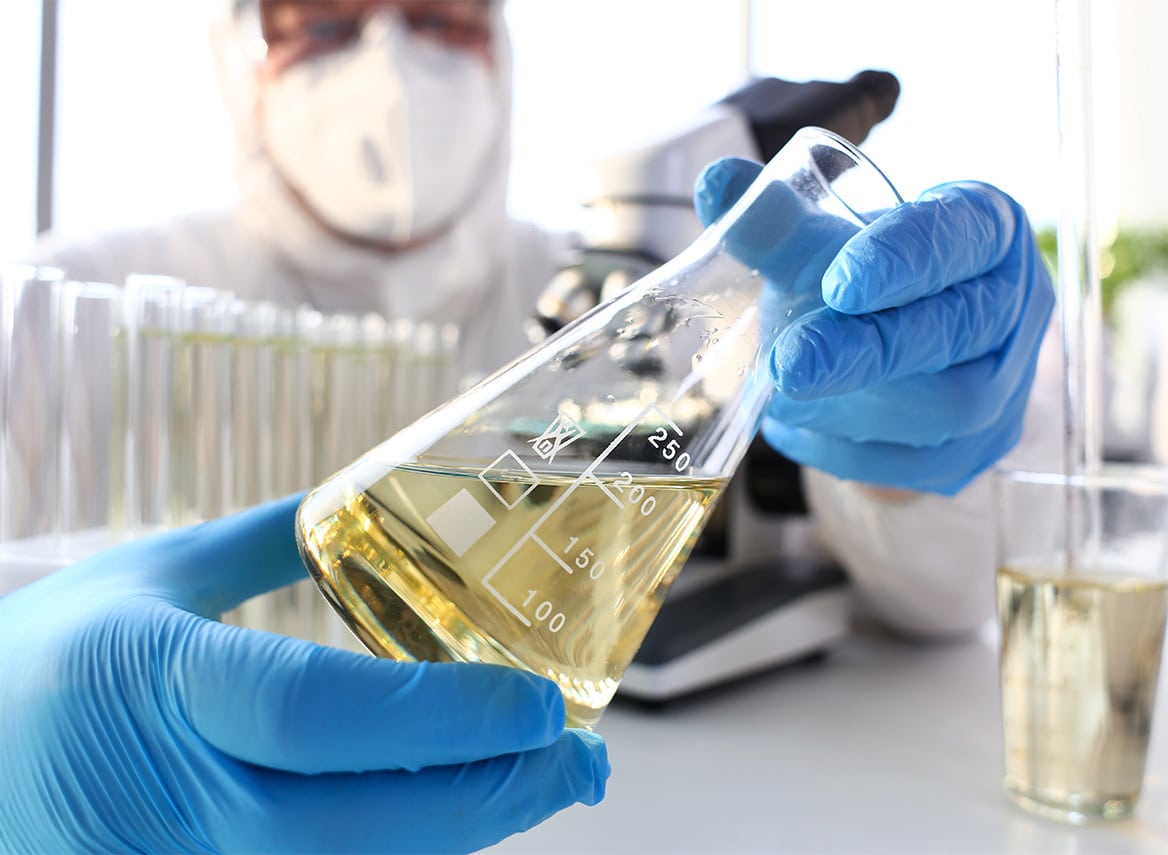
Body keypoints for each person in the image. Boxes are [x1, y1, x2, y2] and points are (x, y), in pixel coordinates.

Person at [1, 0, 1058, 851]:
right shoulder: (67, 294)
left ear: (500, 41)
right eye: (323, 20)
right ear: (243, 53)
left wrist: (897, 428)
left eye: (440, 16)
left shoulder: (599, 278)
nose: (392, 61)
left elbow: (943, 600)